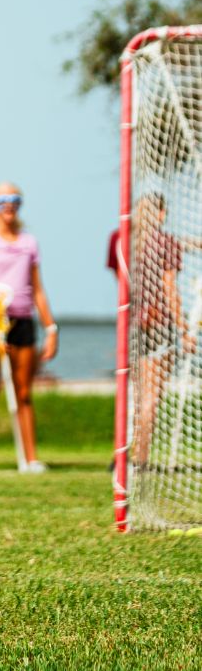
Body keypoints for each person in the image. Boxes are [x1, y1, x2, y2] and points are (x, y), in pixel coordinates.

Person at [0, 182, 58, 475]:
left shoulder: (29, 242)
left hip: (23, 321)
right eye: (1, 200)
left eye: (14, 199)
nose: (8, 204)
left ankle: (31, 459)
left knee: (23, 392)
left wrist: (51, 328)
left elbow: (37, 288)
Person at [128, 193, 190, 466]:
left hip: (132, 326)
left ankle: (128, 452)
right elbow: (169, 288)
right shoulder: (166, 243)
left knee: (137, 396)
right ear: (162, 214)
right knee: (151, 397)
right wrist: (184, 328)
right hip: (159, 323)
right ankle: (139, 457)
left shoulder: (126, 244)